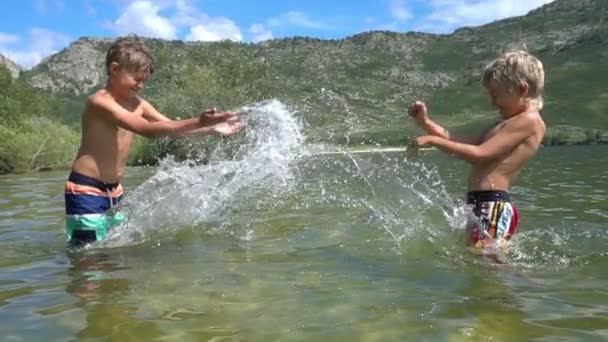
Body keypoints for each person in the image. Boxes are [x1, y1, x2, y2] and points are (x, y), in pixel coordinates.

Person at [65, 35, 243, 246]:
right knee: (88, 256)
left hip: (115, 190)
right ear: (114, 69)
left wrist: (211, 129)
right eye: (136, 79)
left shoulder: (139, 104)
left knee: (111, 253)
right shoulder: (99, 102)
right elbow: (148, 130)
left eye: (145, 80)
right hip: (86, 188)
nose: (141, 85)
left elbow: (171, 129)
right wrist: (199, 120)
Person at [408, 50, 546, 249]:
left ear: (522, 89)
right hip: (481, 202)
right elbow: (459, 142)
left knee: (489, 265)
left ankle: (530, 281)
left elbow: (481, 154)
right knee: (479, 262)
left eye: (496, 95)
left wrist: (432, 141)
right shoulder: (505, 123)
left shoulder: (529, 121)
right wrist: (425, 122)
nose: (492, 102)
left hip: (493, 204)